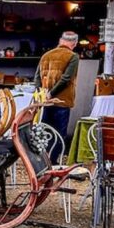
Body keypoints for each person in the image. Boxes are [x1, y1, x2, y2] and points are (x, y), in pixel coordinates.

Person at [34, 31, 80, 161]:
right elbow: (66, 79)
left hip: (46, 102)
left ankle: (41, 160)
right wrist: (51, 93)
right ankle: (53, 161)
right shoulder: (73, 56)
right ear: (74, 43)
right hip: (62, 101)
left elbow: (37, 77)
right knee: (59, 133)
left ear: (60, 41)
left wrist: (42, 93)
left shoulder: (46, 55)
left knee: (45, 132)